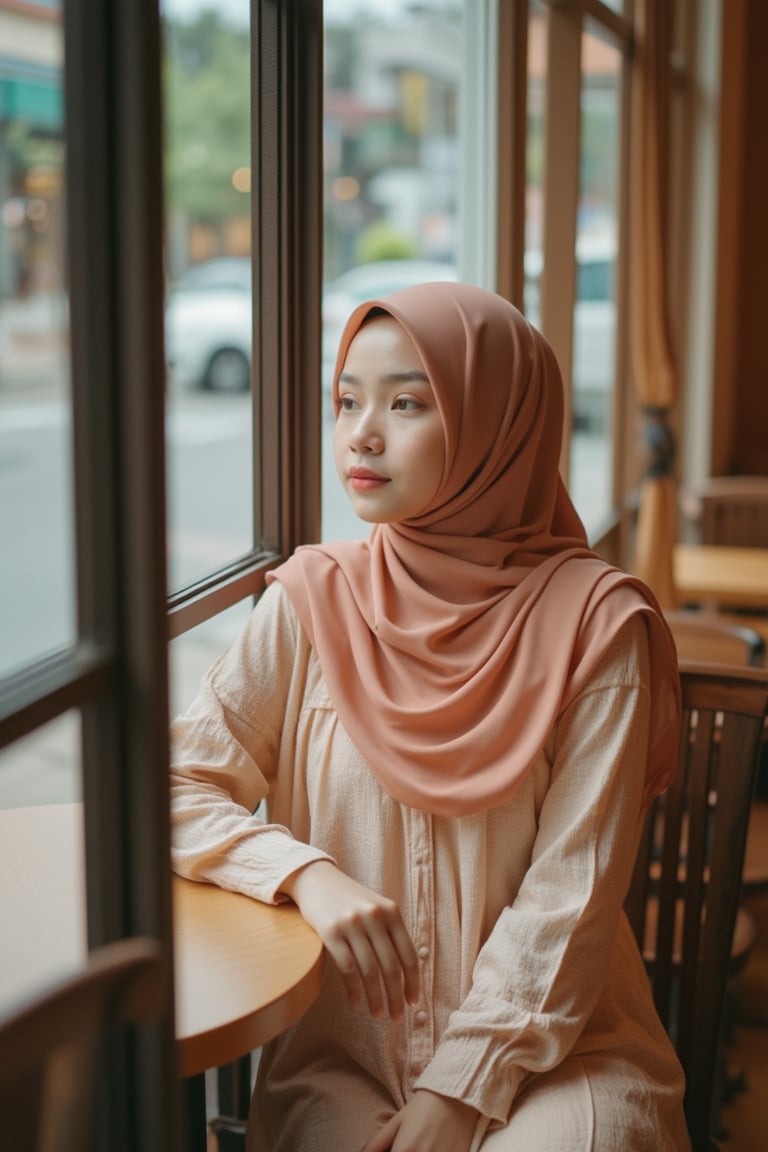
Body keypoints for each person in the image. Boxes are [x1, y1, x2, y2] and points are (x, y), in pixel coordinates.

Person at [169, 282, 690, 1152]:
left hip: (557, 1054)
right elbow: (176, 784)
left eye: (407, 402)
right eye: (347, 402)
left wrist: (461, 1088)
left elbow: (570, 898)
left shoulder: (596, 626)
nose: (361, 434)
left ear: (497, 425)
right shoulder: (312, 601)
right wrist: (304, 873)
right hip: (347, 1053)